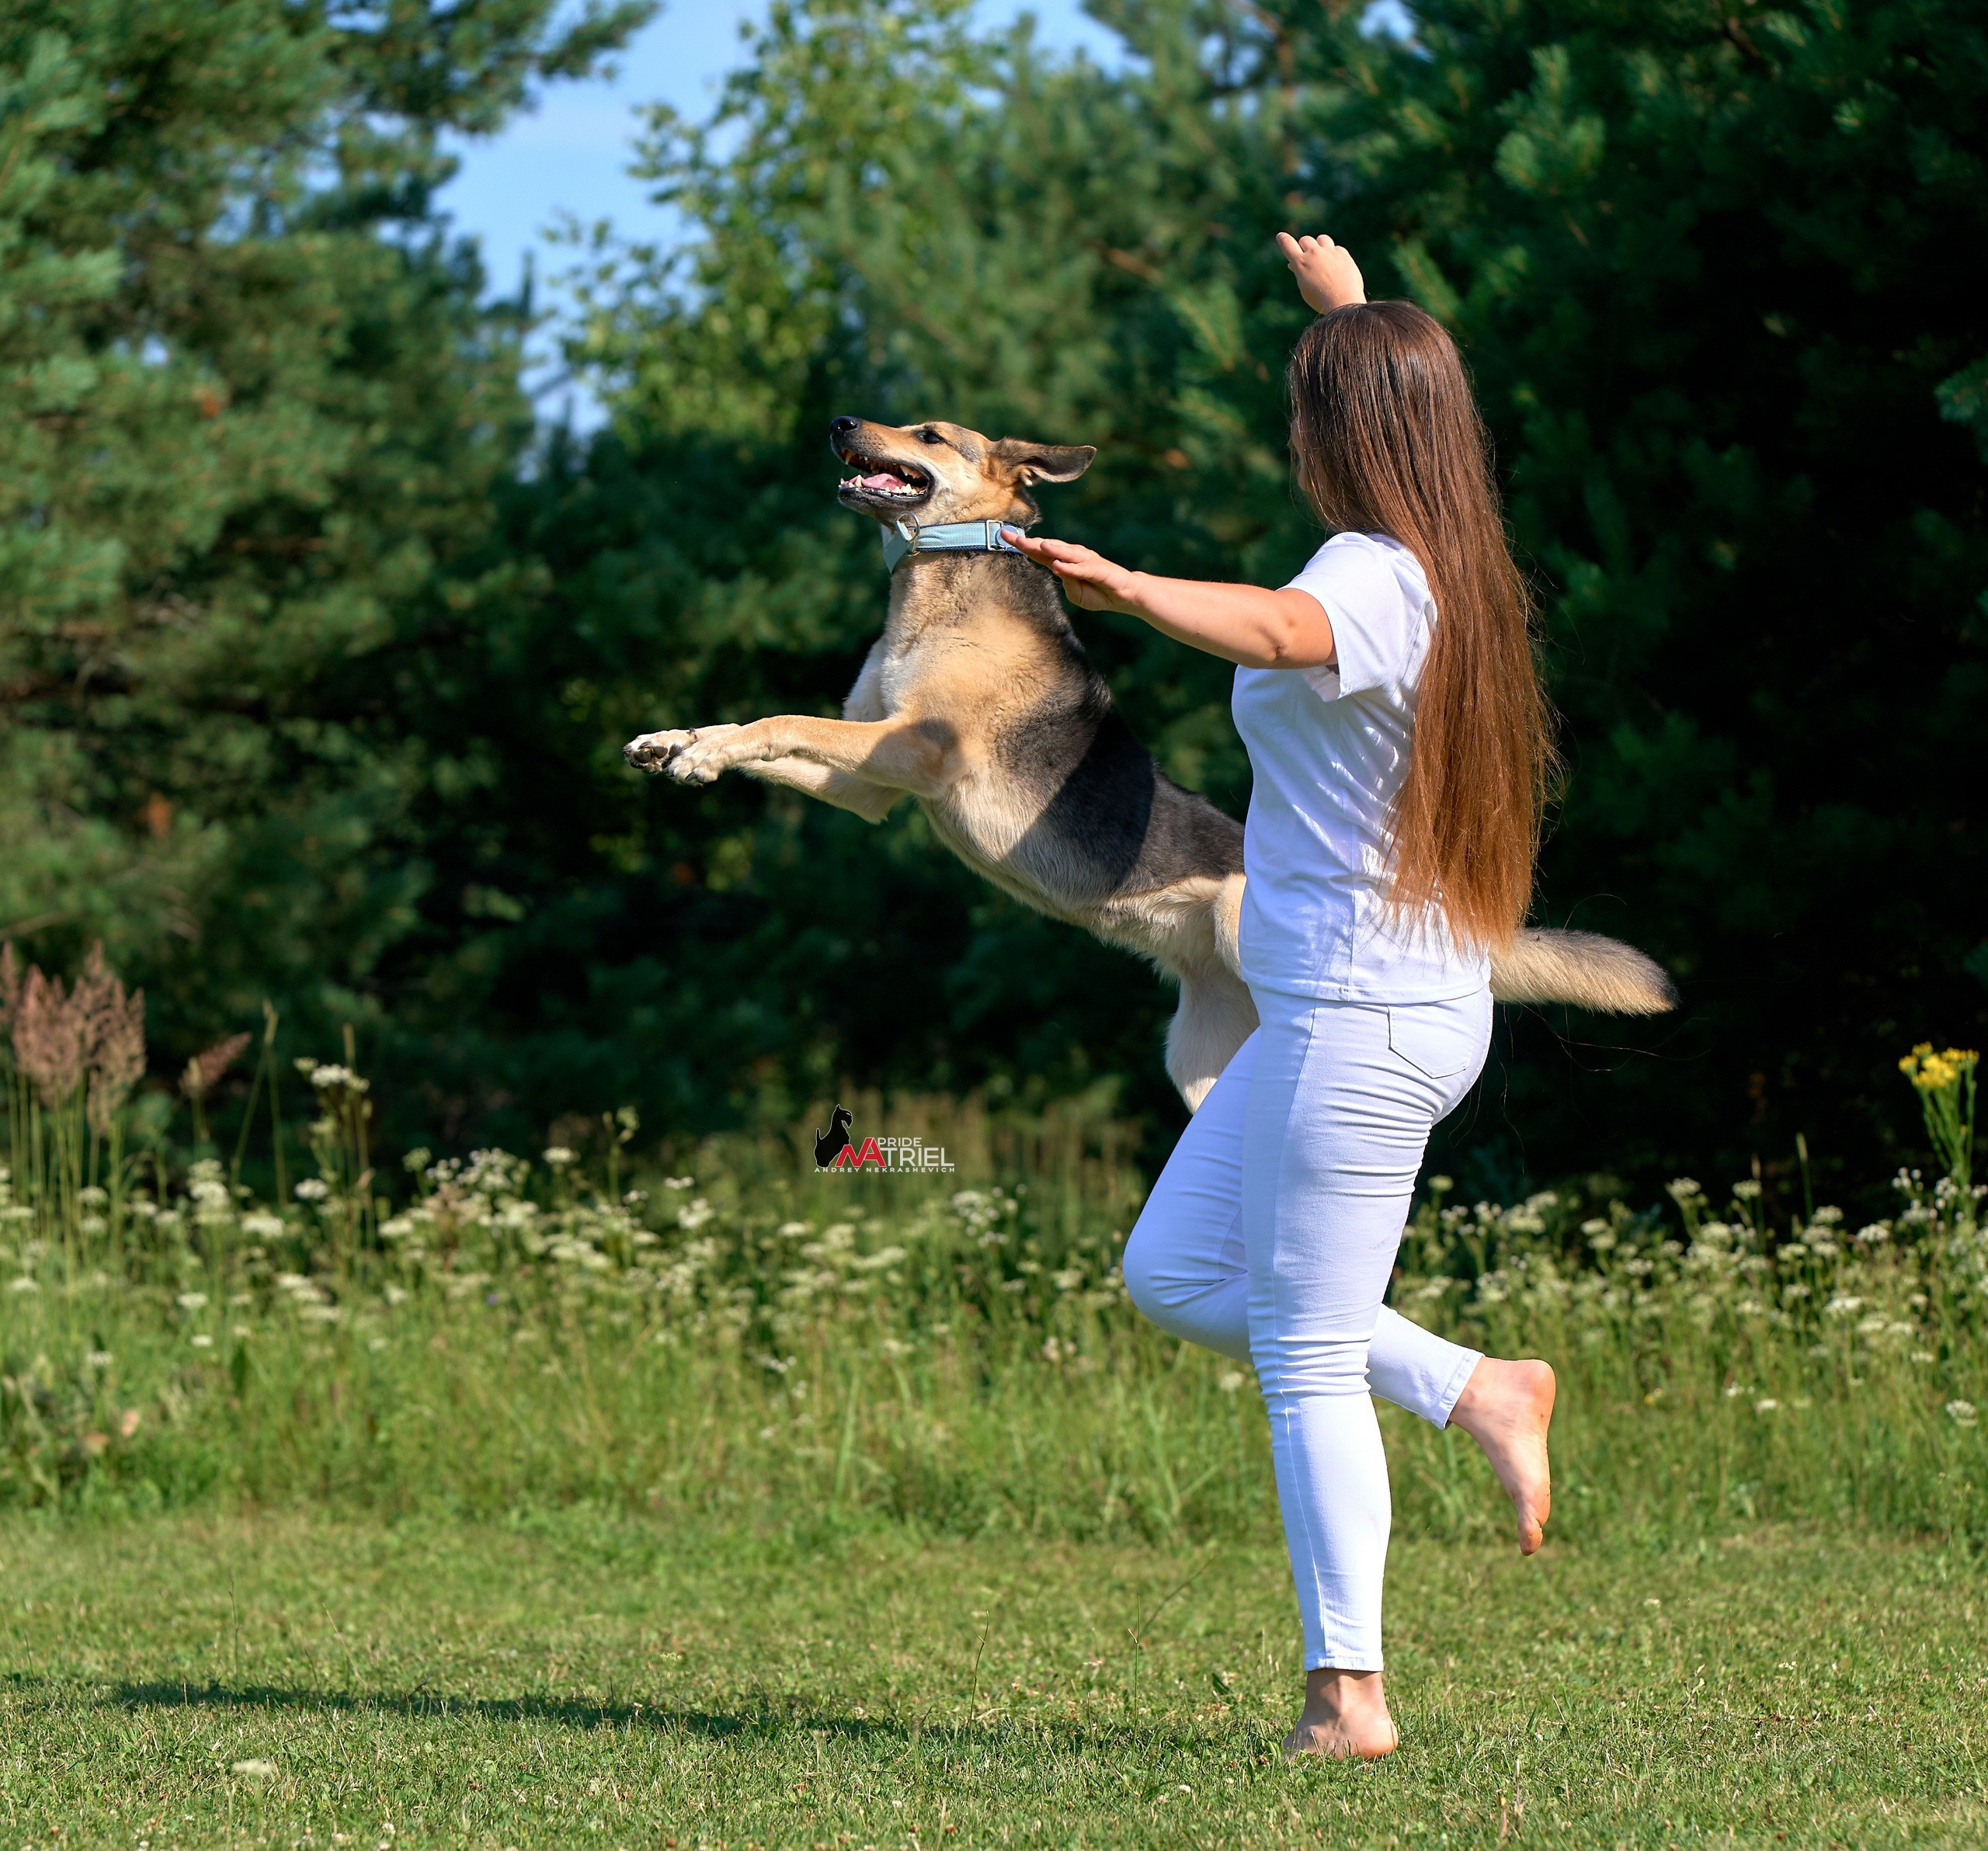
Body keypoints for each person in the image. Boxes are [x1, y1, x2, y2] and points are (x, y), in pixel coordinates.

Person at [1004, 232, 1557, 1762]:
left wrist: (1121, 584)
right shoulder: (1443, 555)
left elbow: (1274, 628)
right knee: (1178, 1272)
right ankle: (1474, 1386)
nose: (1290, 437)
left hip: (1356, 1022)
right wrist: (1346, 315)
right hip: (1361, 1012)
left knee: (1302, 1355)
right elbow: (1387, 443)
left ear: (1349, 440)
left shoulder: (1368, 580)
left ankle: (1347, 1697)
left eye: (1308, 412)